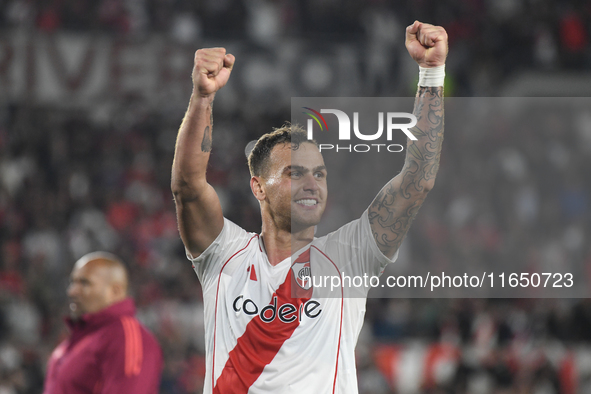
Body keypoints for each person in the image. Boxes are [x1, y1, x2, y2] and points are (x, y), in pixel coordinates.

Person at [171, 20, 447, 393]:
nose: (311, 184)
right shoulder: (223, 255)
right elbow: (187, 186)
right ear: (258, 188)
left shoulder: (350, 257)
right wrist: (202, 97)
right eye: (294, 173)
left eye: (319, 173)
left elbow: (418, 180)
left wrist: (431, 73)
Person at [43, 252, 163, 394]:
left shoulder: (125, 338)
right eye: (72, 282)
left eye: (84, 283)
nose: (72, 292)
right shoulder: (76, 342)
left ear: (115, 291)